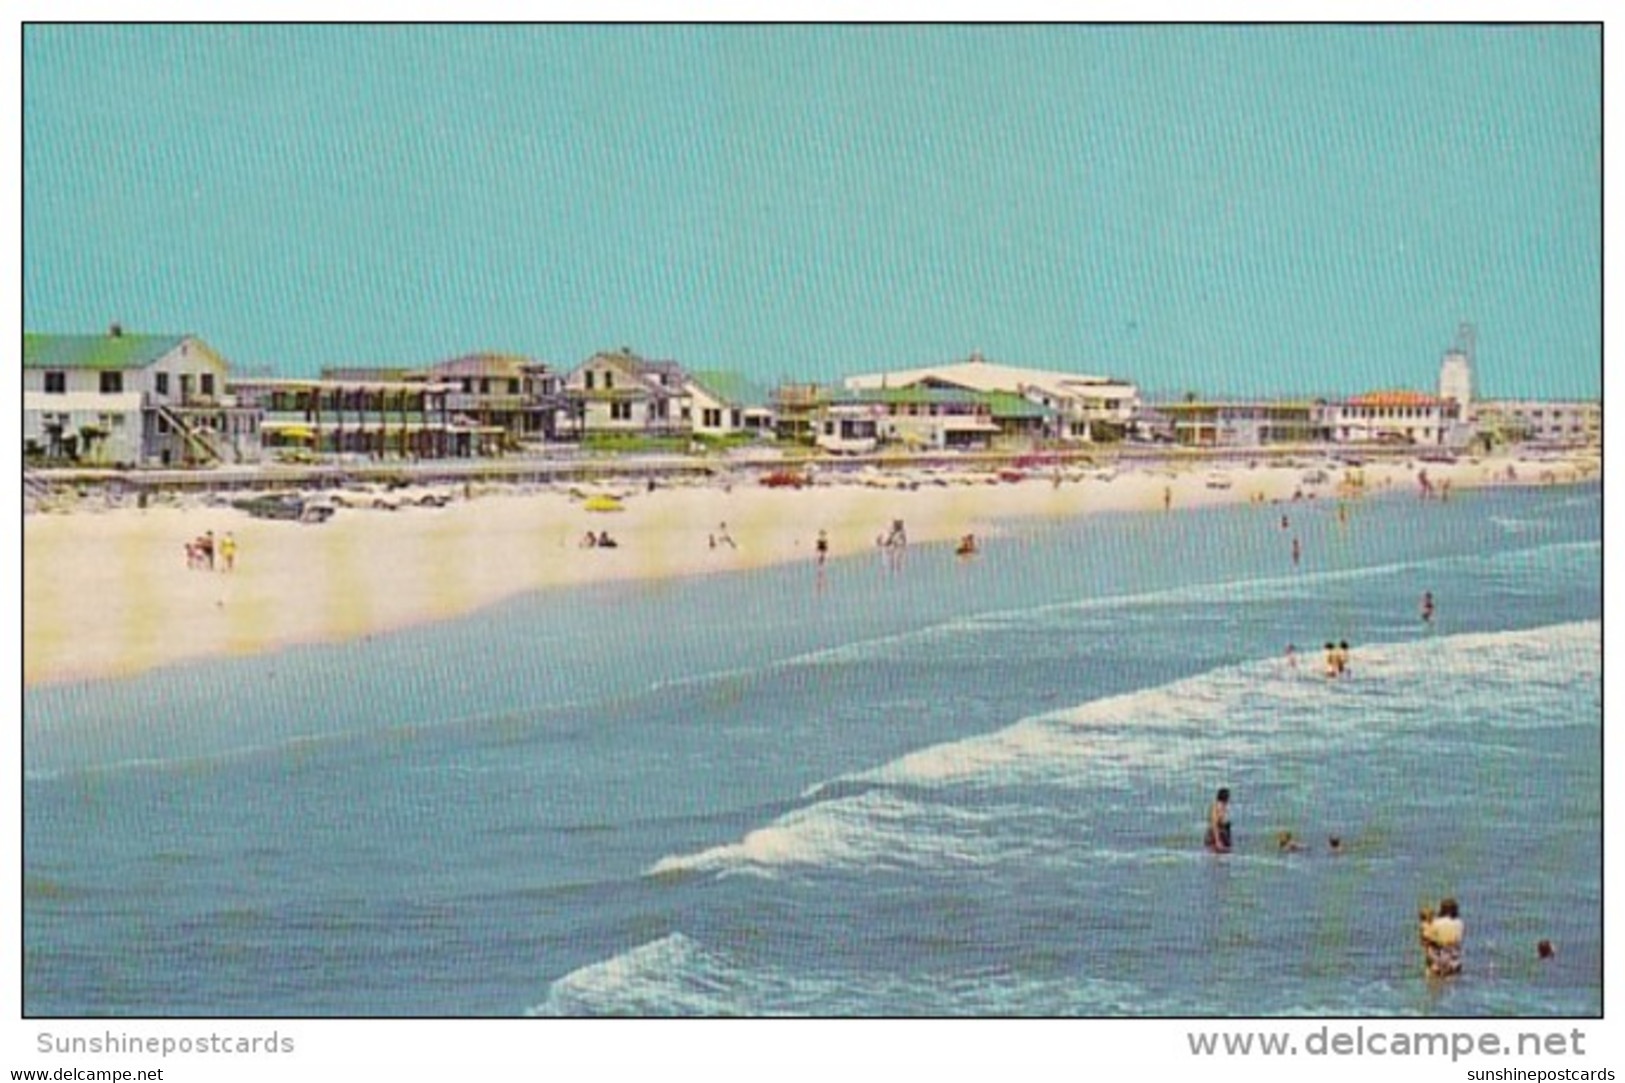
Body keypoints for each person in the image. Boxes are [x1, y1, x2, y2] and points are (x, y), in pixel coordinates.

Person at [1420, 898, 1464, 978]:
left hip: (1437, 962)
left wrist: (1425, 922)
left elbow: (1425, 939)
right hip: (1454, 961)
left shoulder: (1436, 923)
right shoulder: (1459, 923)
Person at [1204, 787, 1232, 853]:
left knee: (1224, 858)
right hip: (1216, 837)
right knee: (1217, 858)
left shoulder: (1223, 807)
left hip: (1223, 836)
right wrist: (1217, 841)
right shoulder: (1216, 807)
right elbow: (1214, 825)